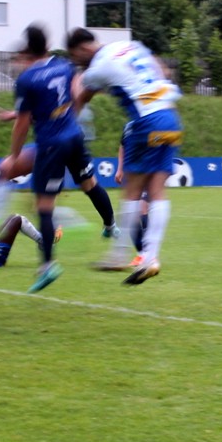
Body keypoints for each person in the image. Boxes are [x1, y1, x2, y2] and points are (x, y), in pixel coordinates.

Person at [69, 28, 182, 285]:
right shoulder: (131, 46)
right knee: (157, 191)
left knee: (132, 191)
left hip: (147, 121)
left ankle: (119, 255)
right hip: (171, 118)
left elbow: (81, 99)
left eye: (75, 57)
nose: (77, 62)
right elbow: (162, 68)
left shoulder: (98, 67)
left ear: (83, 48)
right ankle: (150, 257)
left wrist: (63, 127)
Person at [10, 25, 118, 292]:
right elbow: (76, 96)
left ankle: (47, 266)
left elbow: (22, 124)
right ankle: (110, 225)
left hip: (51, 144)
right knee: (90, 184)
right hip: (74, 135)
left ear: (27, 48)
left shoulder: (26, 79)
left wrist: (14, 155)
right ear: (47, 45)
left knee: (44, 206)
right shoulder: (64, 66)